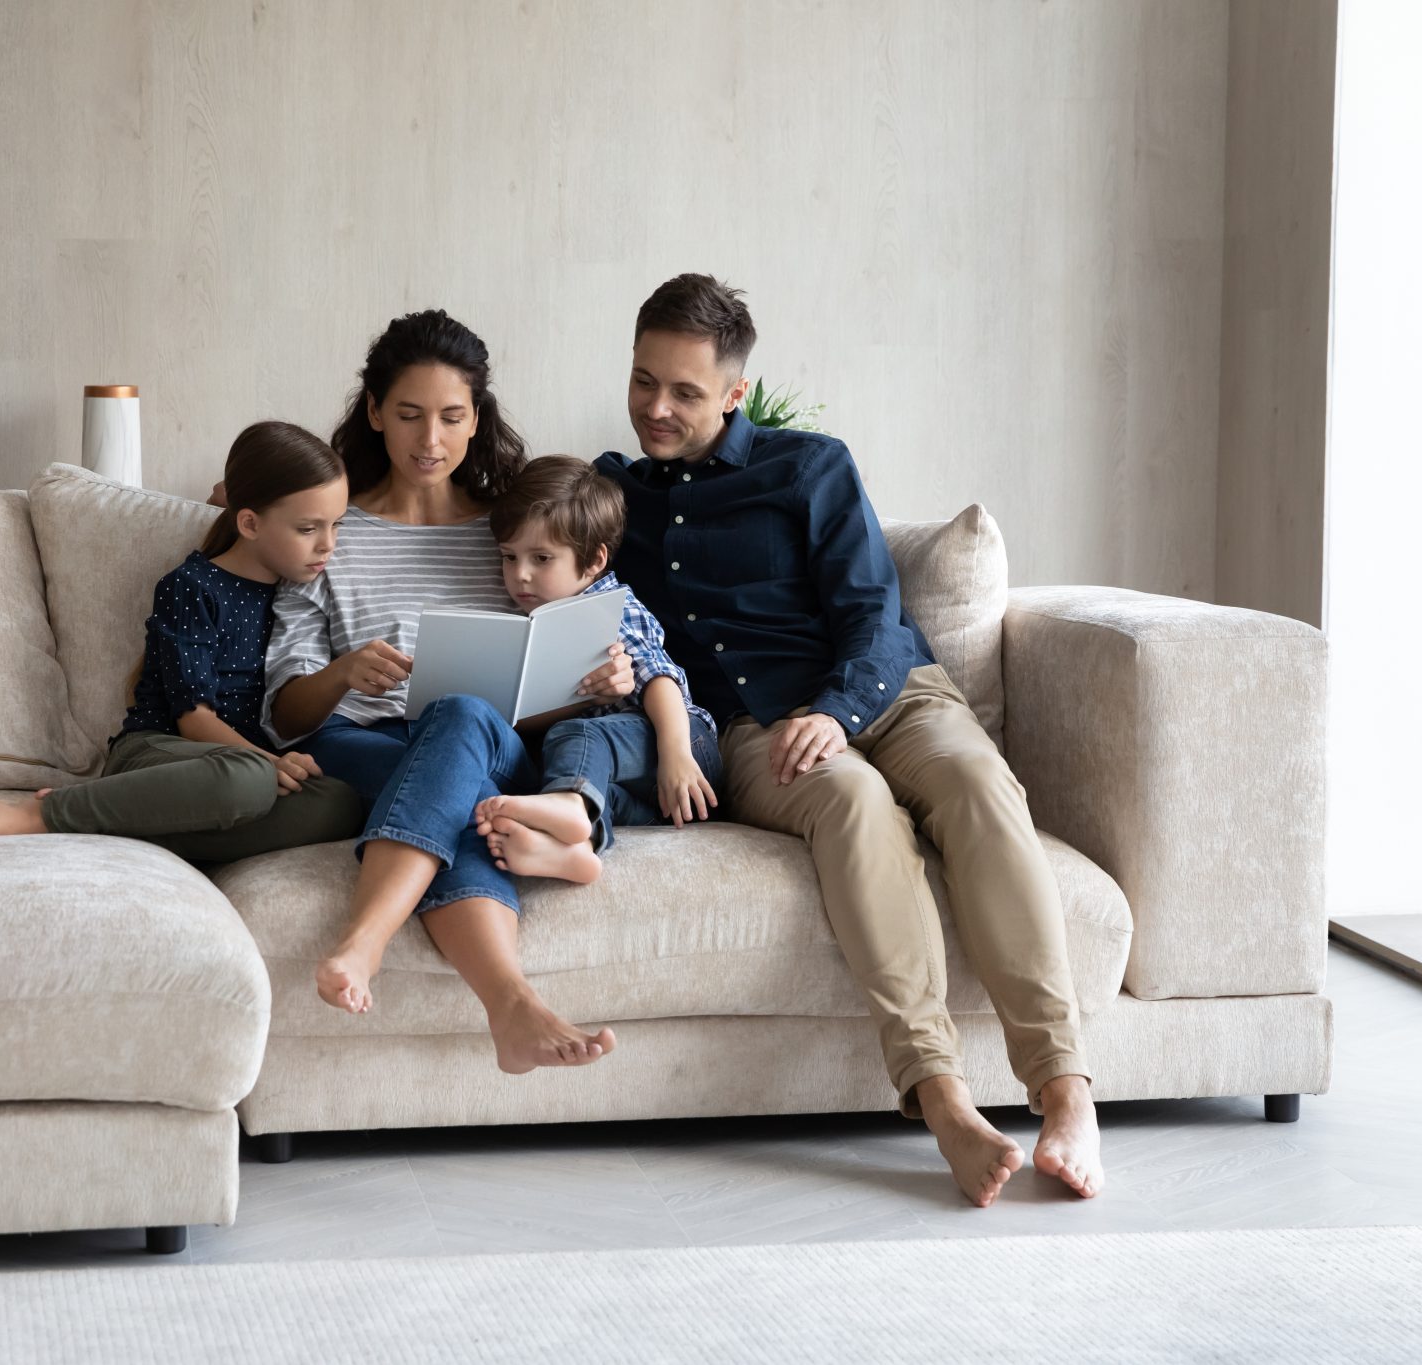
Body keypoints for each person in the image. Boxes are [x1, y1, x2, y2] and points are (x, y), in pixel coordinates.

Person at [594, 273, 1104, 1207]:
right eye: (642, 381)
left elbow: (873, 609)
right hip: (756, 729)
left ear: (736, 393)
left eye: (685, 391)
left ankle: (1067, 1092)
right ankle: (943, 1098)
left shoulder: (808, 466)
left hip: (887, 692)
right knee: (855, 801)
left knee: (979, 785)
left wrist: (835, 709)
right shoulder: (613, 500)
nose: (656, 408)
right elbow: (530, 545)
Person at [264, 311, 631, 1073]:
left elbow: (538, 692)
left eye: (452, 416)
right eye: (409, 414)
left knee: (460, 715)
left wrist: (597, 685)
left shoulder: (514, 531)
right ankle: (512, 1005)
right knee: (463, 799)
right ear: (374, 412)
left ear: (476, 418)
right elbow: (285, 714)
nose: (430, 439)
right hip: (359, 741)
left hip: (490, 742)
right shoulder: (328, 530)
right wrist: (342, 671)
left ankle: (363, 941)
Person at [0, 421, 362, 859]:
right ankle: (43, 815)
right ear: (250, 523)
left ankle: (117, 822)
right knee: (248, 778)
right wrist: (270, 762)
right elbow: (193, 721)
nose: (328, 545)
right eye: (309, 529)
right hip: (160, 750)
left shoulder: (296, 596)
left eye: (337, 525)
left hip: (233, 772)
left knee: (341, 803)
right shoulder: (193, 586)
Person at [469, 455, 722, 884]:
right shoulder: (527, 625)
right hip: (652, 798)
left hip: (681, 742)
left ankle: (568, 804)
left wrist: (677, 754)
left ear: (593, 561)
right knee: (589, 786)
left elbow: (659, 678)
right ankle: (578, 845)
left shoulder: (607, 606)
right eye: (509, 557)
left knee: (576, 735)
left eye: (541, 558)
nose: (520, 575)